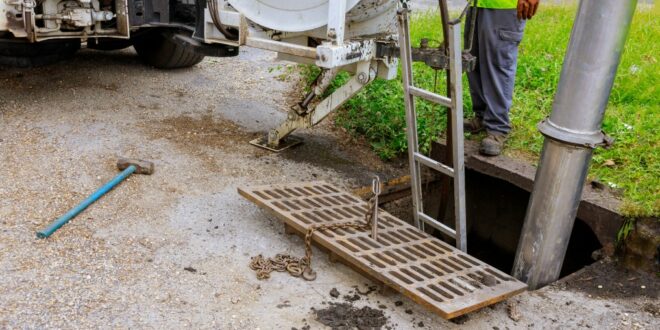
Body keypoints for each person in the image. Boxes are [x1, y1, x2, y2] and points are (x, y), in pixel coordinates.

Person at [464, 0, 540, 156]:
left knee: (498, 66)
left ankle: (497, 128)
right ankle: (482, 116)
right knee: (473, 62)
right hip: (477, 5)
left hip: (505, 6)